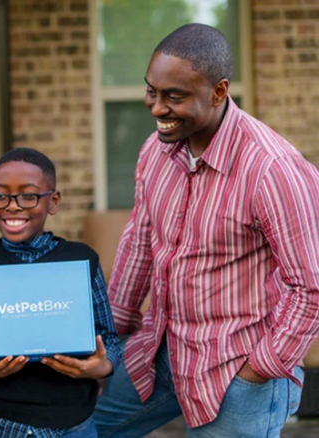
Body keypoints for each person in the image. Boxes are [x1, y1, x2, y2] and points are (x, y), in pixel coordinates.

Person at [93, 23, 319, 437]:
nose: (157, 108)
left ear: (218, 92)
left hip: (236, 371)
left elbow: (310, 287)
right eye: (152, 91)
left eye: (174, 97)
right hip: (159, 352)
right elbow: (140, 243)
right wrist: (110, 333)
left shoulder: (272, 170)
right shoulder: (155, 151)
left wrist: (261, 367)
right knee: (81, 427)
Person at [0, 147, 122, 438]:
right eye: (0, 195)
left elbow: (109, 338)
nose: (12, 205)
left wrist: (100, 366)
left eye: (28, 195)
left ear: (53, 201)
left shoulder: (81, 261)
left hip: (73, 427)